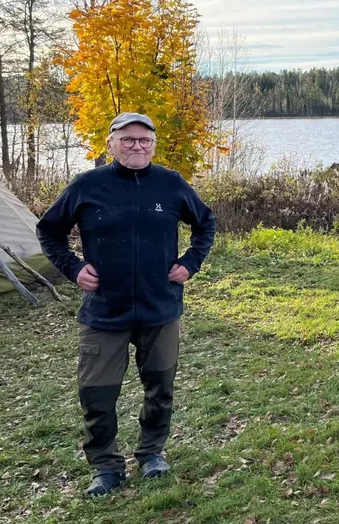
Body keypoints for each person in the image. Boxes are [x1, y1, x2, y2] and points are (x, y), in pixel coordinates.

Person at [36, 112, 217, 497]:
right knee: (96, 394)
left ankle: (152, 453)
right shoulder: (87, 185)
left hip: (160, 308)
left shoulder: (170, 183)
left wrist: (190, 263)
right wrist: (73, 267)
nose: (137, 146)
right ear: (111, 144)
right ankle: (106, 466)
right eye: (128, 139)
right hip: (104, 311)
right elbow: (48, 230)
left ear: (153, 145)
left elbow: (206, 223)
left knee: (160, 387)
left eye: (144, 140)